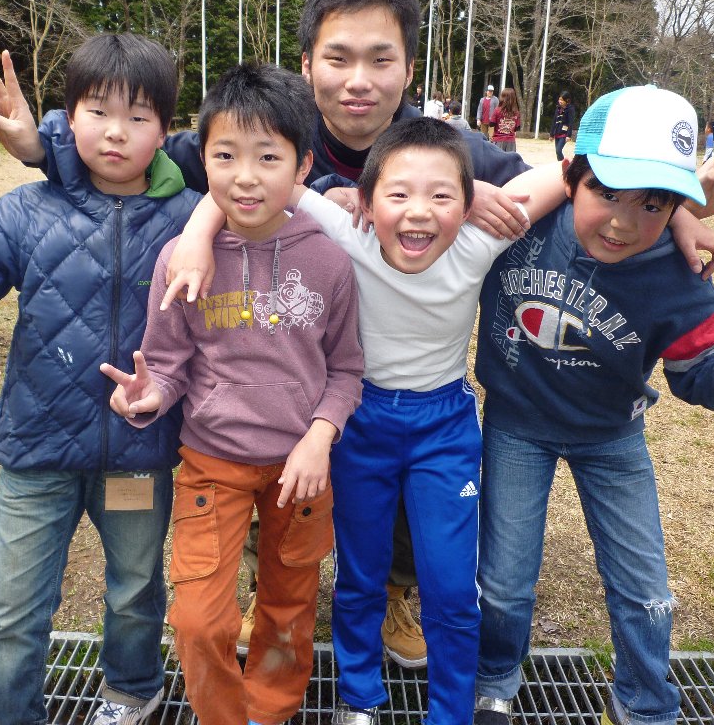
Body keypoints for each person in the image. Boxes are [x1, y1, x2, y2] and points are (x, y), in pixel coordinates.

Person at [0, 0, 536, 672]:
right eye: (337, 58)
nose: (358, 79)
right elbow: (140, 149)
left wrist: (673, 214)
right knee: (257, 461)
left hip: (399, 377)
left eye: (380, 59)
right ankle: (254, 579)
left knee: (403, 483)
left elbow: (569, 198)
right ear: (307, 65)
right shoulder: (268, 129)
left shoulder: (449, 154)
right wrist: (43, 146)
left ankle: (403, 588)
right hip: (283, 365)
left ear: (409, 68)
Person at [165, 116, 568, 725]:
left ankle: (451, 711)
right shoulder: (346, 231)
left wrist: (680, 202)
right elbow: (252, 187)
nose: (418, 214)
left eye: (441, 196)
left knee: (453, 588)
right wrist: (198, 230)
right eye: (398, 194)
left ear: (468, 203)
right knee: (360, 572)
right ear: (366, 200)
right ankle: (359, 698)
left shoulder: (478, 242)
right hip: (359, 417)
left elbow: (570, 175)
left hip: (445, 426)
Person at [0, 34, 202, 725]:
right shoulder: (27, 211)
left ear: (166, 130)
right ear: (66, 118)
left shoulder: (188, 220)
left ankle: (131, 692)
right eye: (97, 111)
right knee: (13, 611)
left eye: (140, 117)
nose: (116, 132)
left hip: (137, 457)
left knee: (136, 593)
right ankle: (10, 711)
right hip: (38, 453)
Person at [472, 85, 714, 725]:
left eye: (653, 204)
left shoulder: (673, 273)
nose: (624, 222)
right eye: (607, 193)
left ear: (679, 206)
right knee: (504, 583)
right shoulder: (517, 225)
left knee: (645, 593)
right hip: (516, 425)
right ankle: (493, 680)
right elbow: (431, 168)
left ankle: (645, 704)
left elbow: (703, 368)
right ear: (571, 177)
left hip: (610, 437)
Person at [100, 63, 364, 725]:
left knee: (288, 605)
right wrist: (148, 394)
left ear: (302, 166)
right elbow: (169, 360)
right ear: (204, 160)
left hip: (299, 470)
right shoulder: (181, 259)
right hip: (210, 465)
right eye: (226, 156)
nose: (246, 176)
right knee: (197, 617)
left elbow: (347, 368)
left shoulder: (330, 261)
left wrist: (319, 436)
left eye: (268, 157)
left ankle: (270, 710)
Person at [490, 88, 520, 152]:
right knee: (510, 161)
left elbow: (491, 124)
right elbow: (516, 128)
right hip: (511, 142)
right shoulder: (516, 112)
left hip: (498, 140)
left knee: (497, 160)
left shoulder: (497, 110)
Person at [549, 90, 577, 161]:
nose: (560, 101)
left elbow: (571, 122)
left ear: (567, 100)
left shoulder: (570, 109)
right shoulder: (558, 108)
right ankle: (560, 165)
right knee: (557, 152)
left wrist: (568, 135)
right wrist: (551, 134)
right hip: (557, 132)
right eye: (559, 99)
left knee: (559, 150)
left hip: (564, 134)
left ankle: (563, 164)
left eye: (562, 100)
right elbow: (554, 121)